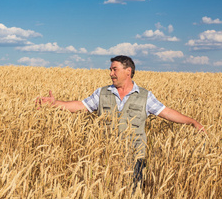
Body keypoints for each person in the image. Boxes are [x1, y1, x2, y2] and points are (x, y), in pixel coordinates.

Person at [37, 55, 205, 189]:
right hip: (106, 157)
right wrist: (55, 103)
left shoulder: (145, 96)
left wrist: (192, 122)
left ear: (128, 71)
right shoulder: (102, 93)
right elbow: (81, 105)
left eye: (114, 69)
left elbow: (167, 112)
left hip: (136, 159)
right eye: (110, 70)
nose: (111, 73)